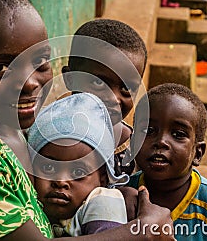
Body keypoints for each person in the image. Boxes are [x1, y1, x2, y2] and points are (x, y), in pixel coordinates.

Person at [0, 0, 174, 241]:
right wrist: (139, 233)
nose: (30, 83)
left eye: (39, 63)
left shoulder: (17, 129)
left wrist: (117, 195)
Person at [129, 83, 207, 240]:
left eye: (178, 134)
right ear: (133, 143)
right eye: (149, 131)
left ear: (198, 153)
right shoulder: (125, 193)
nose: (161, 141)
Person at [28, 93, 129, 237]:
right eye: (48, 168)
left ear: (103, 180)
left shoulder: (103, 202)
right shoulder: (29, 205)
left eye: (78, 172)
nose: (61, 182)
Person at [62, 18, 147, 176]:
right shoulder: (45, 134)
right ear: (70, 79)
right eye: (98, 83)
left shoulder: (137, 150)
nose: (114, 98)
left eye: (126, 88)